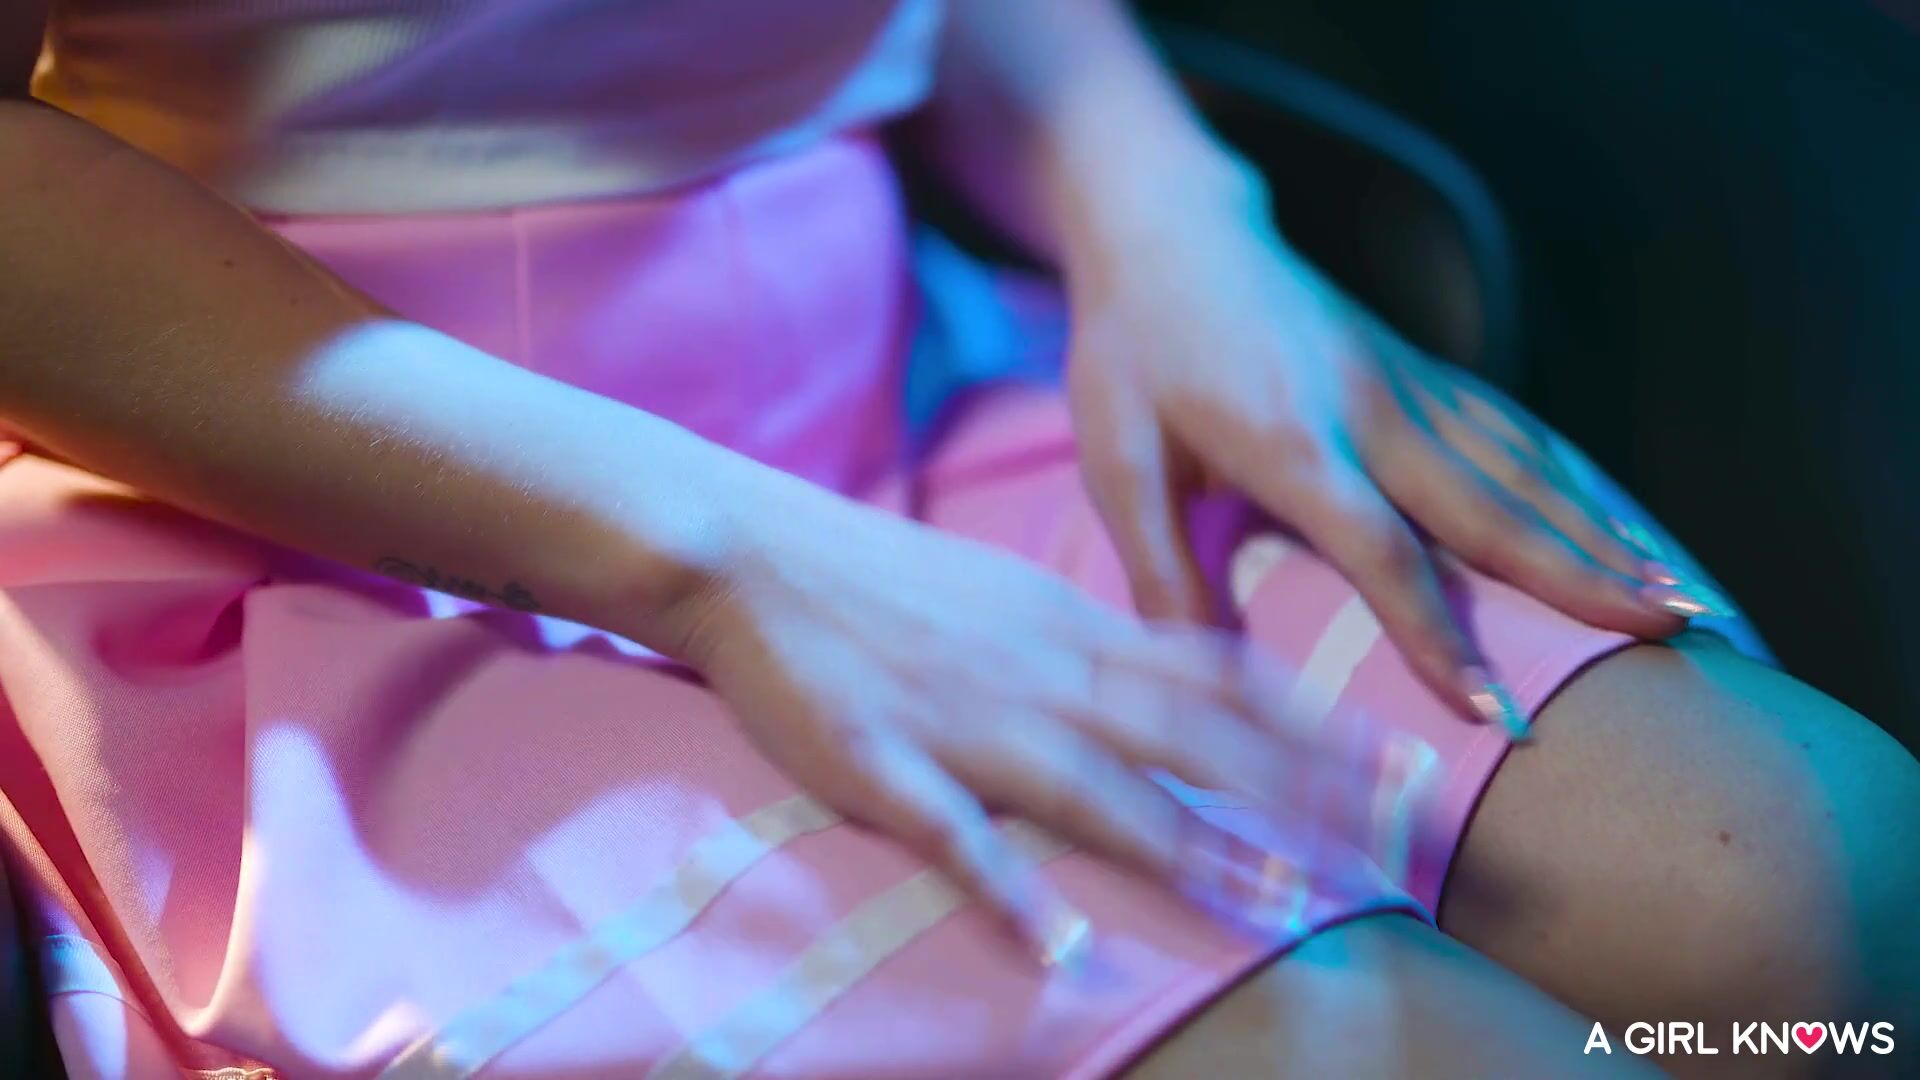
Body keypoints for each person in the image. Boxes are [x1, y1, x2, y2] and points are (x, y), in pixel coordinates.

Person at [0, 0, 1913, 1076]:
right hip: (325, 507)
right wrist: (727, 559)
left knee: (1820, 920)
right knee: (1372, 1048)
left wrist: (1170, 205)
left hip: (905, 369)